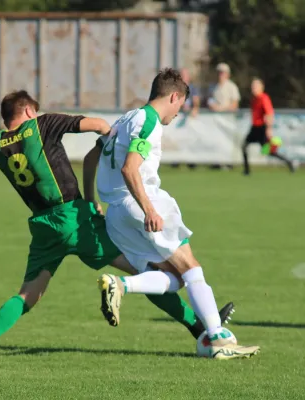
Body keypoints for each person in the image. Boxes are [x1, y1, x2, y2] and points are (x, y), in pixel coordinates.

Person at [0, 84, 234, 356]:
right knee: (148, 272)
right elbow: (98, 125)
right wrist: (111, 141)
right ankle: (203, 326)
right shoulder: (43, 124)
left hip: (44, 229)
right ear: (29, 110)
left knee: (28, 295)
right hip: (76, 219)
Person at [86, 68, 259, 359]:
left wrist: (90, 199)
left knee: (174, 279)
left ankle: (121, 284)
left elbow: (92, 157)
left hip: (116, 215)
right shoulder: (150, 121)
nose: (179, 113)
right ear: (174, 96)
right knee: (192, 268)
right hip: (141, 203)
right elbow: (130, 168)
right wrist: (149, 209)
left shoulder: (125, 118)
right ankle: (217, 338)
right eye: (180, 105)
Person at [242, 78, 295, 175]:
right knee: (244, 146)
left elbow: (269, 114)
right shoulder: (254, 100)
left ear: (262, 87)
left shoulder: (264, 98)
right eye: (253, 86)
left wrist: (268, 129)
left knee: (268, 151)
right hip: (255, 128)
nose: (253, 88)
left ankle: (289, 162)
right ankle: (247, 170)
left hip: (262, 128)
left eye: (256, 86)